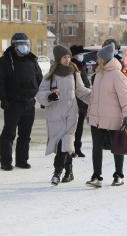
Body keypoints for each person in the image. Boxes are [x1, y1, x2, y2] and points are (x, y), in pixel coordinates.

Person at [36, 45, 91, 185]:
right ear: (58, 58)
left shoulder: (74, 72)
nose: (68, 59)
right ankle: (69, 171)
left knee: (65, 142)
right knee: (64, 144)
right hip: (55, 114)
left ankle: (57, 173)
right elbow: (40, 94)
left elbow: (81, 91)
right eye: (65, 57)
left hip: (71, 112)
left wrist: (94, 97)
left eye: (68, 56)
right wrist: (50, 96)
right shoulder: (50, 75)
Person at [86, 43, 127, 187]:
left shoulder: (117, 76)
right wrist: (90, 113)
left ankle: (118, 175)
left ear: (105, 59)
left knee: (117, 147)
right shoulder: (99, 74)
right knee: (96, 147)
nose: (97, 60)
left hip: (114, 118)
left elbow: (126, 97)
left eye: (99, 58)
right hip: (97, 119)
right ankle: (97, 177)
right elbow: (94, 97)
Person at [0, 33, 43, 171]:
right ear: (14, 46)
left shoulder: (32, 60)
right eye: (21, 44)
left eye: (26, 44)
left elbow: (40, 80)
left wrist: (43, 98)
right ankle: (6, 161)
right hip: (13, 103)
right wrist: (3, 98)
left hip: (29, 103)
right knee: (9, 133)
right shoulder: (5, 61)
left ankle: (22, 160)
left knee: (25, 134)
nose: (24, 47)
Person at [70, 45, 91, 158]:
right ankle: (72, 148)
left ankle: (78, 148)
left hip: (83, 101)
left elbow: (85, 81)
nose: (82, 56)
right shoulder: (72, 66)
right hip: (76, 100)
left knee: (80, 126)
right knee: (74, 126)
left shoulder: (81, 65)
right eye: (80, 54)